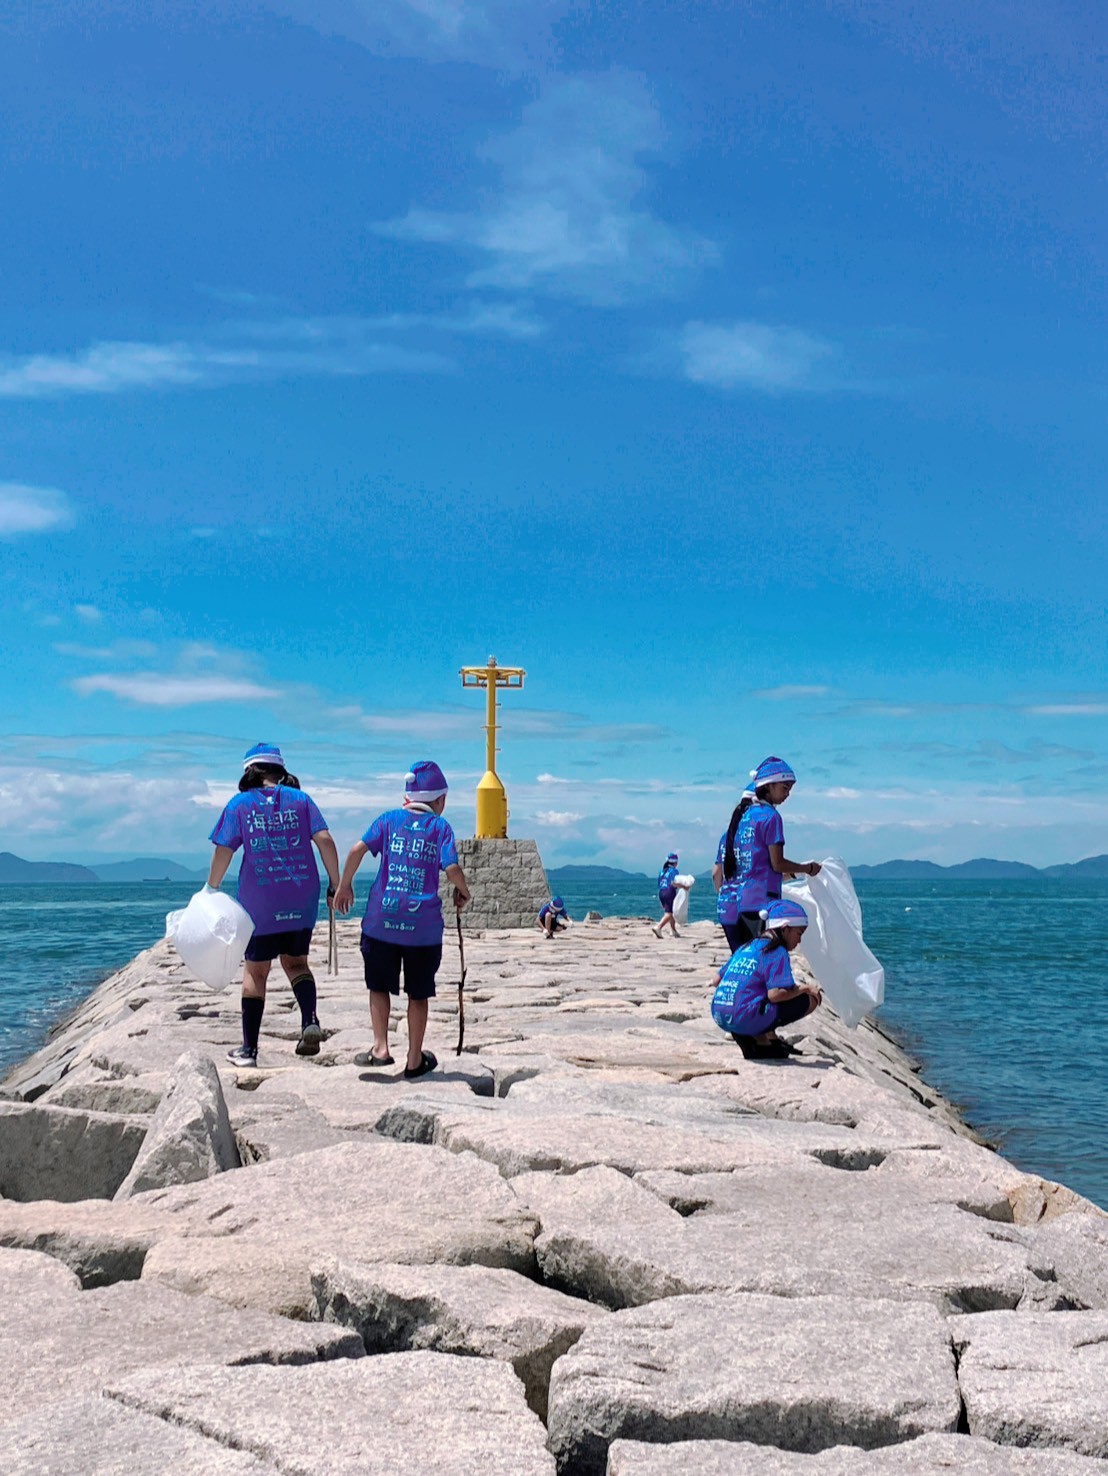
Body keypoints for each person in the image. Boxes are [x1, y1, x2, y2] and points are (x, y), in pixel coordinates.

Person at [334, 759, 470, 1079]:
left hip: (381, 920)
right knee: (418, 993)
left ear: (407, 796)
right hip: (422, 928)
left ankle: (380, 1048)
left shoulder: (388, 820)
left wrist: (344, 885)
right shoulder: (440, 828)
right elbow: (451, 868)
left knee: (379, 986)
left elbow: (356, 850)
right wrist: (464, 891)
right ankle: (413, 1059)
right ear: (440, 800)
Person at [208, 742, 340, 1069]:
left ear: (250, 772)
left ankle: (249, 1051)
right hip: (301, 898)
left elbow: (224, 849)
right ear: (279, 770)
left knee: (256, 971)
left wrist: (211, 888)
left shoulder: (240, 804)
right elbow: (325, 840)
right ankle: (309, 1020)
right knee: (297, 964)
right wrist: (336, 883)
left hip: (260, 903)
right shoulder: (301, 800)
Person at [712, 755, 821, 954]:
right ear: (768, 785)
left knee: (744, 958)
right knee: (763, 960)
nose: (787, 794)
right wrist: (807, 868)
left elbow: (723, 872)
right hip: (761, 903)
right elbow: (777, 864)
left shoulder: (739, 823)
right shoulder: (770, 817)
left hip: (736, 904)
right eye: (785, 788)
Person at [710, 898, 822, 1059]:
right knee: (809, 1000)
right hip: (743, 1017)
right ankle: (758, 1038)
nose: (799, 941)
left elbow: (716, 980)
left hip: (720, 1014)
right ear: (785, 929)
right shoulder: (776, 951)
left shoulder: (747, 946)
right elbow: (776, 995)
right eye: (799, 934)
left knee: (758, 996)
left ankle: (762, 1039)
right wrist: (806, 988)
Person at [652, 852, 690, 938]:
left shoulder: (662, 871)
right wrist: (684, 886)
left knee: (671, 910)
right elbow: (673, 883)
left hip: (661, 892)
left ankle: (673, 930)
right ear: (675, 862)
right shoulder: (674, 871)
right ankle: (658, 927)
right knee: (670, 913)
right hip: (669, 892)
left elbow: (659, 883)